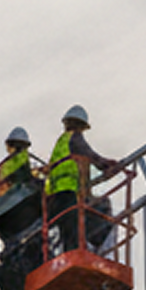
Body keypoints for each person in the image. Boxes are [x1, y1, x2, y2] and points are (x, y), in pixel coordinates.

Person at [46, 104, 122, 253]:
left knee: (68, 230)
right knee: (89, 216)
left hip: (54, 196)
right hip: (68, 192)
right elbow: (89, 154)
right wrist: (107, 165)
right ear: (81, 126)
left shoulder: (61, 142)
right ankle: (92, 249)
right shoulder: (75, 138)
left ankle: (73, 253)